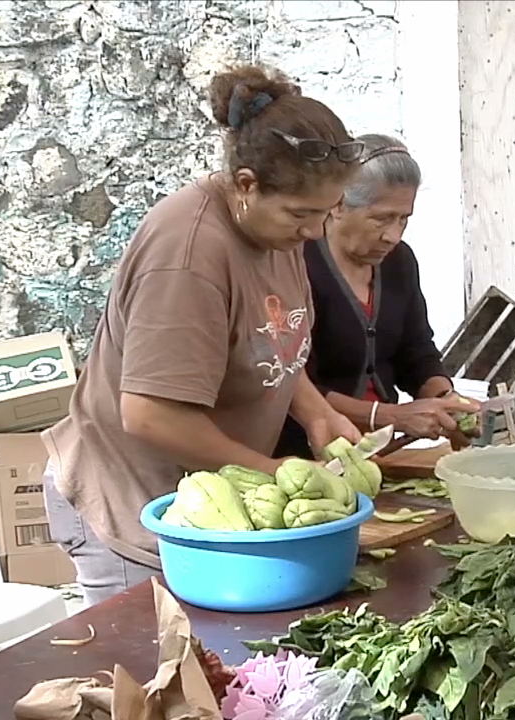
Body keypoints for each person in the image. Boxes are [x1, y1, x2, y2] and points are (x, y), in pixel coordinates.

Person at [41, 65, 363, 606]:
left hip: (207, 503)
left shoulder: (278, 236)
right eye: (301, 214)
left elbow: (270, 338)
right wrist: (268, 471)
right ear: (246, 185)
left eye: (327, 213)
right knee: (153, 681)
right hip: (137, 506)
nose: (313, 232)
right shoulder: (187, 256)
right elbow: (147, 413)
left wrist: (312, 411)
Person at [274, 134, 480, 458]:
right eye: (382, 218)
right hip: (304, 457)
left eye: (404, 219)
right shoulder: (296, 266)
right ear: (338, 204)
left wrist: (446, 398)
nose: (393, 236)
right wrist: (389, 416)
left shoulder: (400, 262)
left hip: (381, 453)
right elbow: (291, 383)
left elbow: (415, 350)